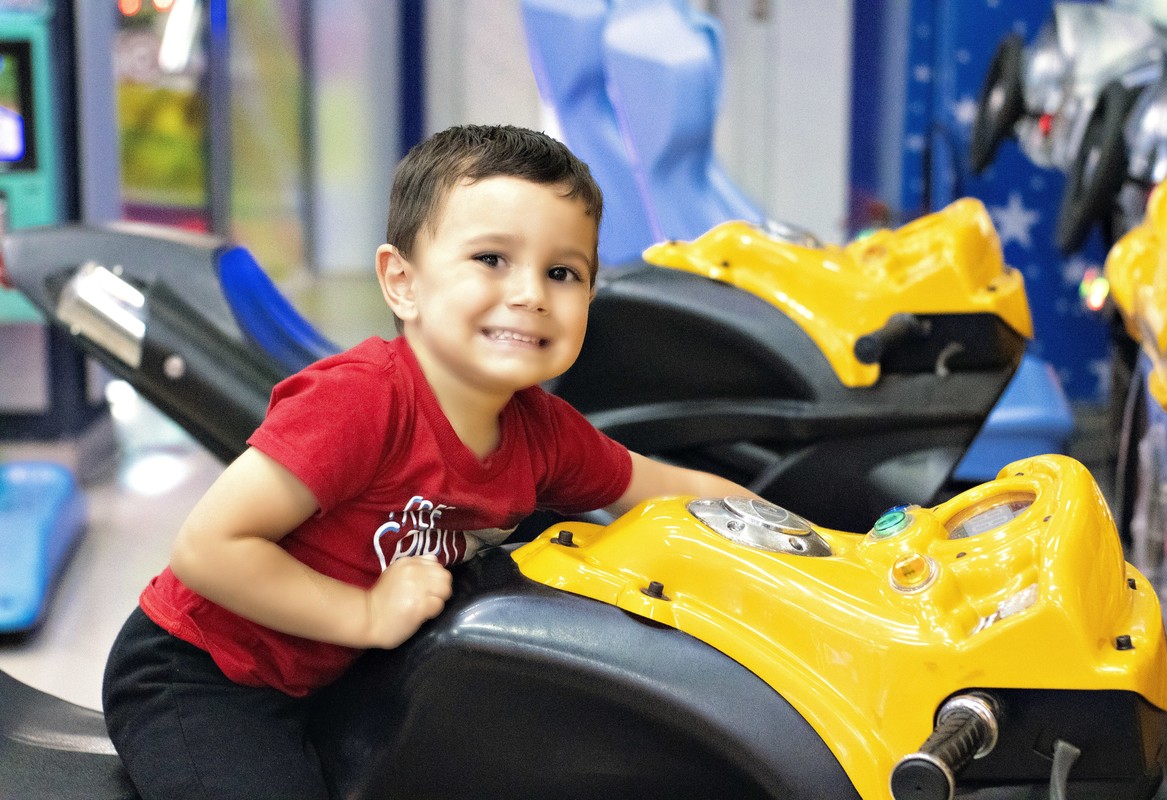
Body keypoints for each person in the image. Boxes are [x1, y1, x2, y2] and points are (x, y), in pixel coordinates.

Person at [102, 124, 757, 799]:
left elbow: (670, 490)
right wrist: (363, 615)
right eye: (492, 259)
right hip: (206, 671)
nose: (531, 293)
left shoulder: (543, 432)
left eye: (563, 272)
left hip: (337, 672)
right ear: (402, 282)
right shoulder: (361, 402)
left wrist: (830, 549)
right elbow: (209, 547)